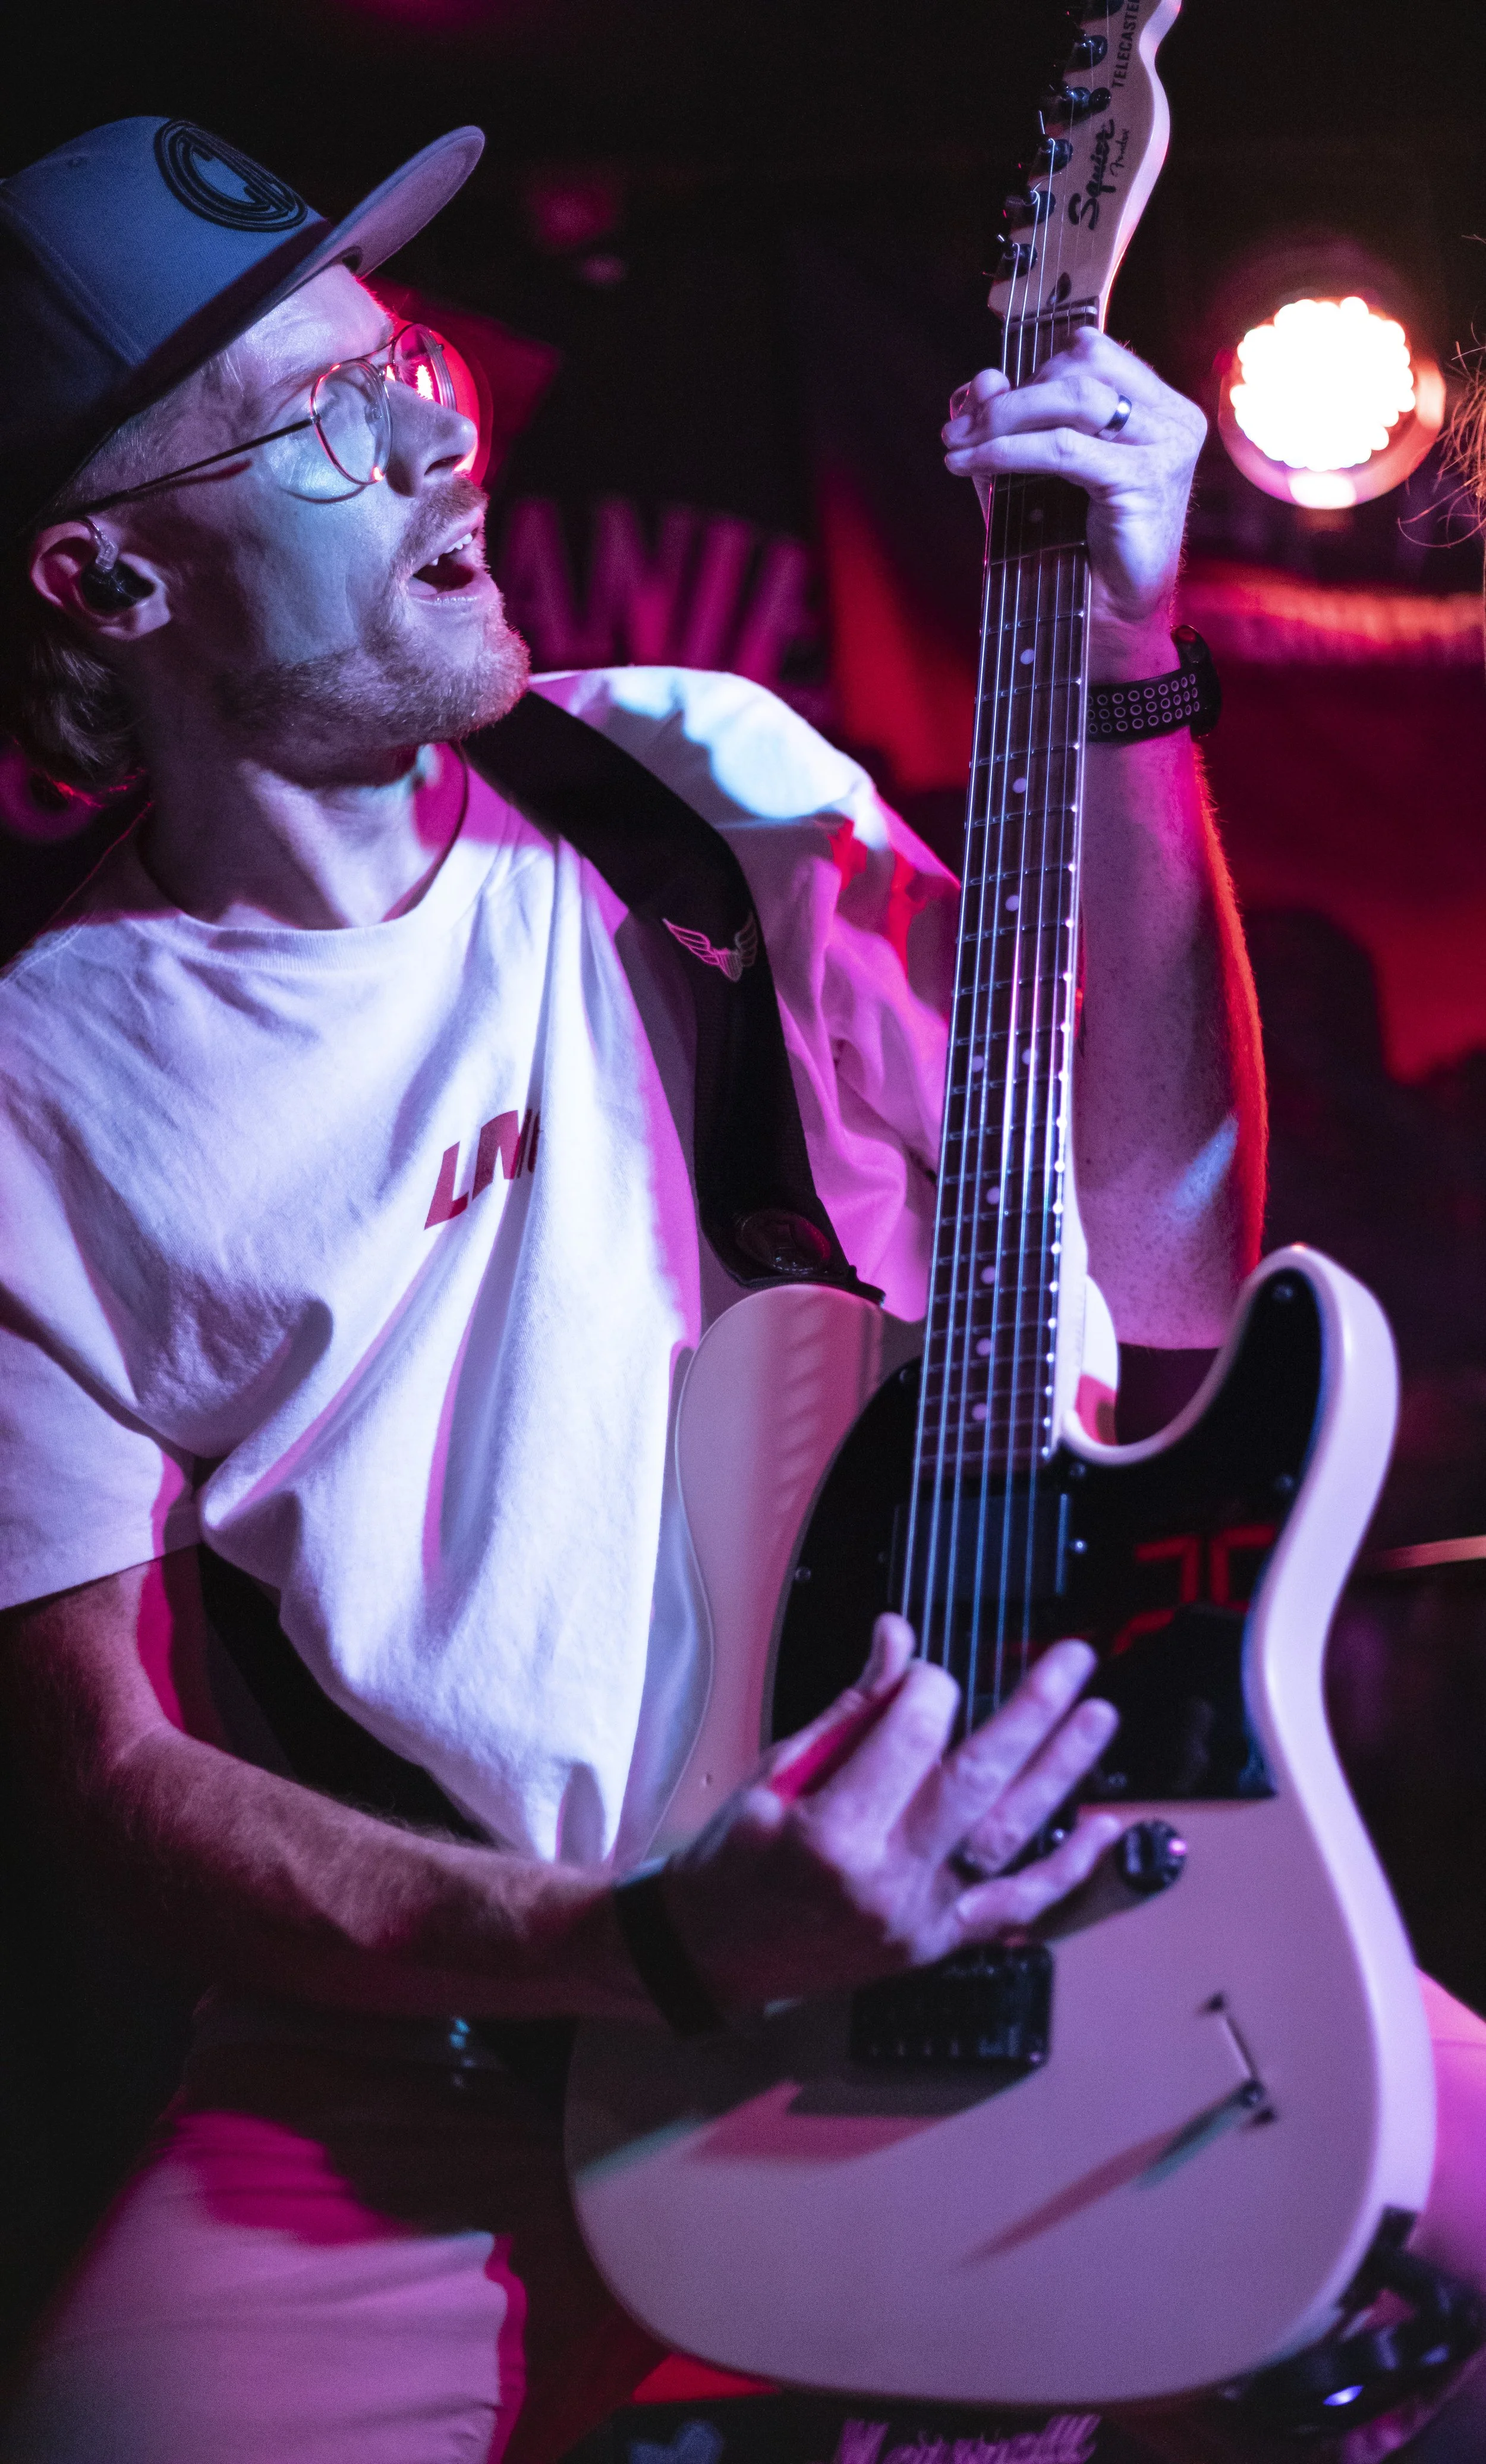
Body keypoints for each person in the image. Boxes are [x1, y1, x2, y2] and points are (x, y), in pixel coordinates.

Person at [0, 112, 1468, 2464]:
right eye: (318, 419)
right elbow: (102, 1769)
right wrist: (664, 1942)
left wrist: (1121, 651)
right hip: (425, 2081)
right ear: (106, 586)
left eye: (405, 357)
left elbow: (1158, 1247)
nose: (428, 425)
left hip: (1032, 1909)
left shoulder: (691, 782)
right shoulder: (34, 1087)